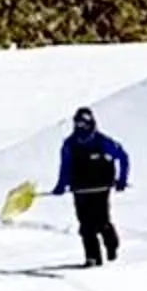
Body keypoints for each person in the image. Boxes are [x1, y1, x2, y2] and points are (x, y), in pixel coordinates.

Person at [54, 107, 130, 266]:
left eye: (84, 124)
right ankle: (92, 257)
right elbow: (65, 166)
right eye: (78, 124)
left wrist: (122, 179)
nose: (81, 128)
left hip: (100, 188)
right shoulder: (70, 144)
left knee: (102, 222)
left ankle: (111, 245)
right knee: (85, 225)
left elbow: (122, 156)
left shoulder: (102, 142)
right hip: (80, 189)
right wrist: (61, 185)